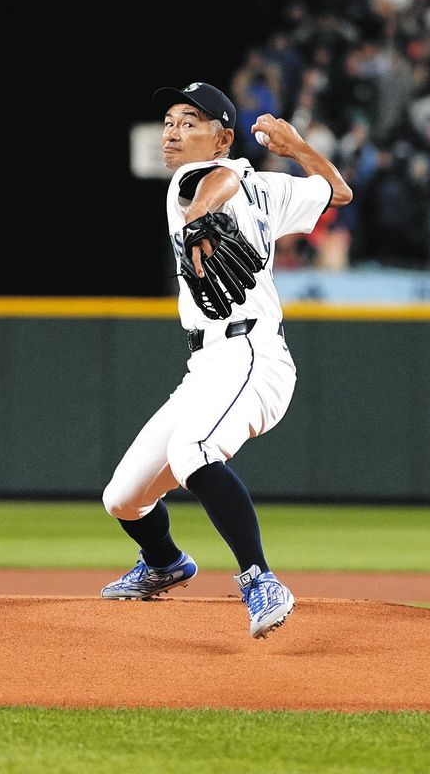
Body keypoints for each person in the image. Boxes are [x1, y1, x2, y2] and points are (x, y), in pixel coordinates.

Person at [99, 81, 353, 639]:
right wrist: (298, 151)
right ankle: (164, 562)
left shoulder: (210, 179)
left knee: (193, 451)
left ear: (222, 138)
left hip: (253, 354)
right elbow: (335, 193)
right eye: (169, 121)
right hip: (208, 365)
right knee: (123, 497)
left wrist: (288, 147)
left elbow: (221, 179)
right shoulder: (266, 187)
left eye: (189, 122)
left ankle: (261, 579)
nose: (172, 131)